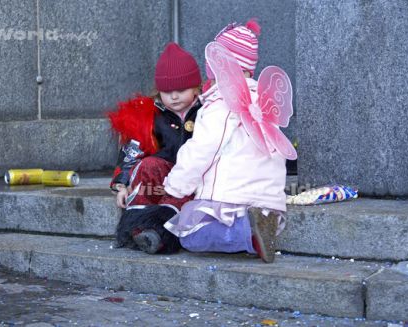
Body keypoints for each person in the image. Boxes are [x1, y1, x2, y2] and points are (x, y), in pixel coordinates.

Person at [163, 19, 297, 263]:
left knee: (190, 235)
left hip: (232, 200)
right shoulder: (264, 103)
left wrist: (175, 185)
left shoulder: (221, 103)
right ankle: (259, 227)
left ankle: (248, 234)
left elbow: (202, 149)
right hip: (269, 201)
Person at [108, 42, 203, 254]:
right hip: (161, 175)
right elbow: (133, 149)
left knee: (180, 193)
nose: (174, 97)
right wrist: (123, 184)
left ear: (196, 87)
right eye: (168, 92)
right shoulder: (153, 114)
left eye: (181, 90)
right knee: (148, 165)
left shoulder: (207, 110)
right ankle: (137, 227)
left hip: (192, 175)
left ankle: (161, 235)